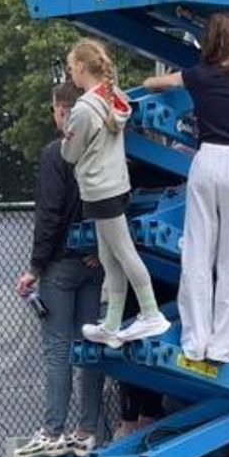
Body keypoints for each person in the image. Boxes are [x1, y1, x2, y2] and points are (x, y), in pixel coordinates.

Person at [143, 12, 229, 364]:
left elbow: (155, 84)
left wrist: (152, 80)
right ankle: (224, 346)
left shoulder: (199, 76)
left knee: (198, 251)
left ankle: (195, 339)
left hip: (207, 157)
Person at [14, 82, 106, 457]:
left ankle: (52, 431)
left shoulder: (56, 154)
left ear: (61, 111)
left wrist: (36, 267)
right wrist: (102, 248)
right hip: (94, 262)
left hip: (61, 264)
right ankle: (87, 430)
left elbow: (49, 213)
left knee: (58, 349)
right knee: (91, 348)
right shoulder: (101, 150)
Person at [62, 38, 171, 348]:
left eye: (72, 69)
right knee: (110, 258)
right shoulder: (114, 97)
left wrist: (64, 140)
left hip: (99, 189)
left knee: (123, 253)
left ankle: (151, 313)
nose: (71, 75)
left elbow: (70, 154)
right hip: (116, 184)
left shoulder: (83, 109)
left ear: (82, 68)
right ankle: (111, 324)